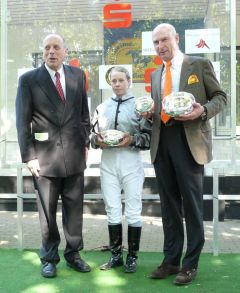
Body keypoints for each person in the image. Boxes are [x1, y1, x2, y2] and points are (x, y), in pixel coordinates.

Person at [143, 23, 227, 285]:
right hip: (162, 142)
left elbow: (220, 97)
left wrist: (201, 111)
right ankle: (170, 261)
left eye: (164, 40)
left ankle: (190, 265)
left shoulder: (198, 65)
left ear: (176, 38)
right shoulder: (156, 74)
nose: (160, 46)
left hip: (189, 141)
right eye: (156, 43)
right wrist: (150, 113)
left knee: (191, 205)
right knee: (168, 206)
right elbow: (160, 111)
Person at [16, 33, 91, 278]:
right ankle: (49, 258)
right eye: (47, 47)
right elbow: (22, 121)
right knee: (47, 213)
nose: (51, 51)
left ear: (65, 51)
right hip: (44, 158)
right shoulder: (29, 80)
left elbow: (83, 114)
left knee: (74, 210)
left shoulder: (78, 76)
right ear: (42, 52)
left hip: (74, 155)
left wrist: (85, 143)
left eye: (56, 47)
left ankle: (73, 254)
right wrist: (28, 156)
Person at [91, 66, 151, 273]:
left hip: (131, 160)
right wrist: (97, 141)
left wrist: (132, 140)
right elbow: (91, 135)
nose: (117, 84)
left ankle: (132, 257)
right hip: (107, 161)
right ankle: (116, 255)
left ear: (129, 81)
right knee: (112, 209)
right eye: (113, 81)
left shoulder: (140, 106)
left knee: (133, 208)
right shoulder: (102, 107)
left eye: (120, 80)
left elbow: (149, 138)